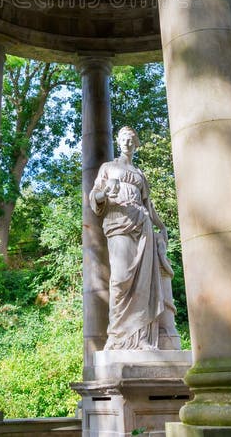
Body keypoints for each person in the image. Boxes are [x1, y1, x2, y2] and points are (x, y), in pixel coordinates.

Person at [89, 125, 181, 350]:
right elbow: (94, 197)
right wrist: (104, 193)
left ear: (136, 143)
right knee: (120, 279)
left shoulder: (139, 173)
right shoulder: (108, 167)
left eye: (131, 139)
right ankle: (118, 337)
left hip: (142, 224)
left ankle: (141, 339)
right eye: (124, 139)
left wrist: (161, 226)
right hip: (118, 222)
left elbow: (148, 204)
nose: (127, 143)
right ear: (118, 142)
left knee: (144, 282)